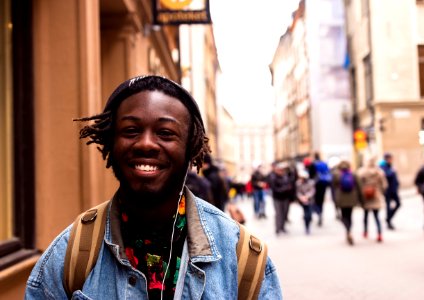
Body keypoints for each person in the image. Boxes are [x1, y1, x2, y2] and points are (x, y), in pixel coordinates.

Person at [25, 75, 282, 299]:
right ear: (110, 143)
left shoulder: (243, 261)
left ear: (191, 148)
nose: (146, 144)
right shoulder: (70, 257)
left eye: (166, 133)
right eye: (131, 130)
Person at [357, 156, 387, 242]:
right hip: (376, 195)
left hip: (365, 196)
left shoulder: (362, 172)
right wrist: (380, 191)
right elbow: (384, 185)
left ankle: (365, 231)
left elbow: (358, 184)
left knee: (365, 215)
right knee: (376, 216)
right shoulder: (379, 172)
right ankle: (379, 234)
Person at [332, 160, 361, 245]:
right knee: (350, 215)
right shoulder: (353, 174)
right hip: (352, 199)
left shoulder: (336, 174)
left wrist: (334, 200)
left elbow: (333, 188)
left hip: (341, 199)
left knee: (344, 216)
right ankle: (349, 231)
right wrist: (361, 200)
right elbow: (359, 187)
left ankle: (347, 230)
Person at [268, 162, 293, 235]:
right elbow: (274, 188)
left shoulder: (285, 176)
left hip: (285, 197)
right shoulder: (273, 177)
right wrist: (284, 189)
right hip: (277, 198)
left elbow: (291, 181)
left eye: (282, 170)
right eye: (280, 170)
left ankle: (283, 227)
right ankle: (278, 228)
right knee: (279, 213)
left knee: (285, 213)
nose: (281, 171)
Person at [310, 152, 332, 226]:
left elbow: (311, 175)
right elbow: (328, 172)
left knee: (316, 200)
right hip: (323, 184)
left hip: (315, 185)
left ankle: (318, 213)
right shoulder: (324, 163)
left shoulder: (313, 164)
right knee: (321, 200)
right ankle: (320, 214)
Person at [379, 152, 400, 230]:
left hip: (393, 189)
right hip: (387, 190)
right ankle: (388, 221)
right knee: (388, 206)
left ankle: (388, 218)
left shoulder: (390, 166)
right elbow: (386, 175)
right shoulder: (382, 166)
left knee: (398, 204)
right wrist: (392, 171)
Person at [296, 170, 315, 235]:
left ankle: (308, 224)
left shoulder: (311, 182)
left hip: (309, 200)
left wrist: (307, 196)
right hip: (302, 201)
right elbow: (298, 192)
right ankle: (306, 226)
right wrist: (301, 197)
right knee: (306, 214)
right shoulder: (298, 183)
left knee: (309, 214)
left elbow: (312, 191)